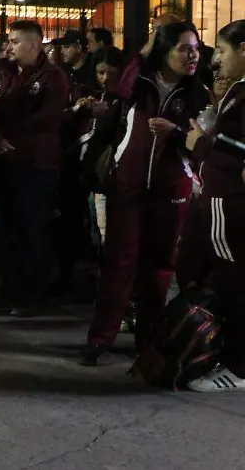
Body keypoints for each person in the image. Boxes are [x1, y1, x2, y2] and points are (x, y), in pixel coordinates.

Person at [81, 21, 208, 366]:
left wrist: (176, 132)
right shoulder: (139, 83)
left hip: (171, 189)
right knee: (118, 263)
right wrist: (148, 45)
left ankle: (148, 340)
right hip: (128, 186)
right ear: (163, 51)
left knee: (160, 267)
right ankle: (100, 338)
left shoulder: (197, 93)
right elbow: (124, 84)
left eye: (196, 48)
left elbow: (201, 144)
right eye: (184, 48)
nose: (193, 55)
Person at [0, 20, 69, 317]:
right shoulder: (3, 74)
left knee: (31, 228)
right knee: (4, 228)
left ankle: (31, 293)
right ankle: (9, 286)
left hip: (35, 165)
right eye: (9, 41)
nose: (9, 46)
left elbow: (46, 118)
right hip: (3, 162)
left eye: (15, 41)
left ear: (34, 45)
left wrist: (10, 136)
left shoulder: (52, 77)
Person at [181, 19, 245, 391]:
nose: (216, 59)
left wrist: (200, 144)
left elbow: (234, 153)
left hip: (230, 205)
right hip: (223, 201)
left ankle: (238, 367)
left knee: (234, 282)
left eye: (222, 50)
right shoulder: (236, 92)